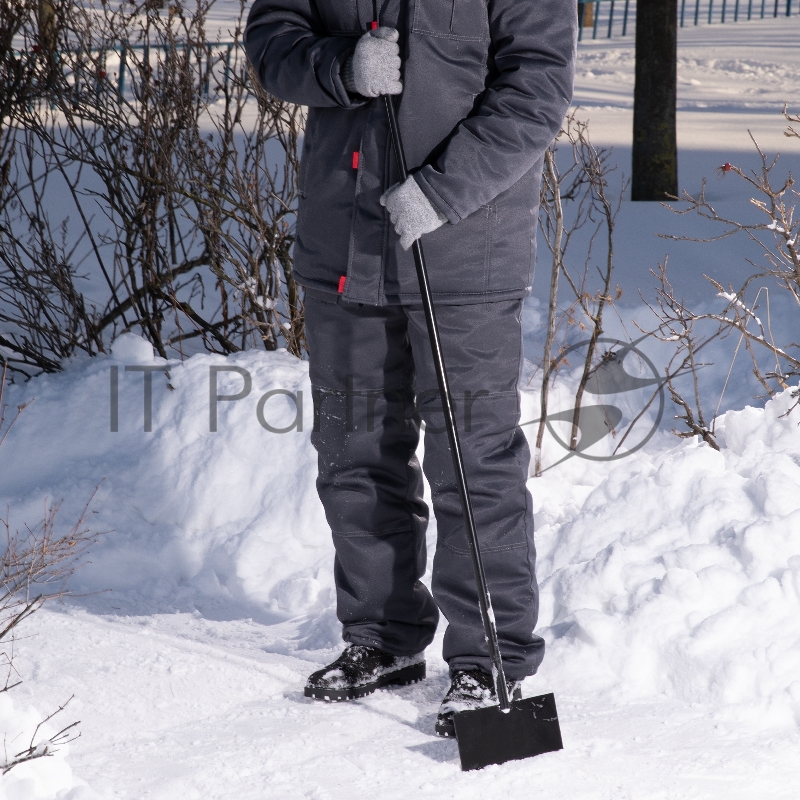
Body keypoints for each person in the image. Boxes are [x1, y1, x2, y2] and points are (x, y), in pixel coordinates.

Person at [244, 0, 576, 737]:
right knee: (353, 449)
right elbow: (272, 43)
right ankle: (383, 638)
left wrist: (442, 189)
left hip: (465, 245)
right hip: (342, 243)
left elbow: (537, 86)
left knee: (472, 457)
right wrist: (341, 67)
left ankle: (490, 661)